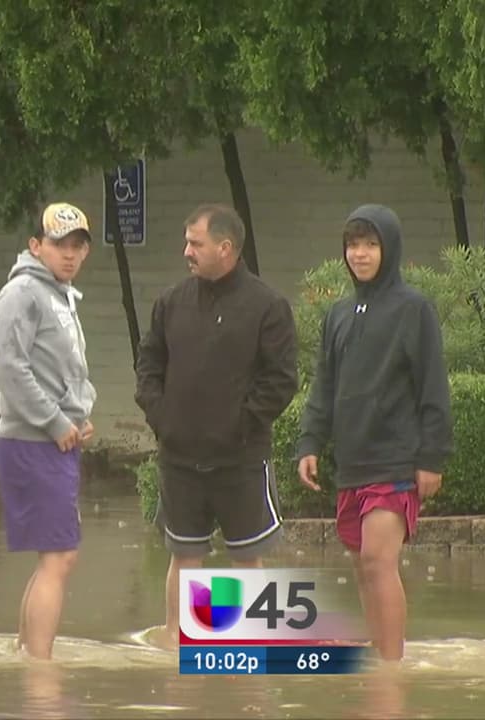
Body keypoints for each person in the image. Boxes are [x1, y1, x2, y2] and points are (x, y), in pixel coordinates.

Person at [134, 203, 298, 648]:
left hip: (240, 460)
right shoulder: (171, 302)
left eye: (195, 243)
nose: (186, 251)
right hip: (180, 459)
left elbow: (281, 381)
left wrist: (239, 425)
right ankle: (179, 647)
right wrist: (163, 419)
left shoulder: (267, 306)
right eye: (187, 242)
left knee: (246, 559)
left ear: (225, 248)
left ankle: (241, 649)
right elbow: (149, 366)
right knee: (184, 556)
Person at [296, 205, 452, 662]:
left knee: (378, 562)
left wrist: (431, 458)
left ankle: (391, 667)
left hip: (396, 461)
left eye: (370, 244)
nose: (359, 254)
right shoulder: (338, 314)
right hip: (352, 463)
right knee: (362, 568)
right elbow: (324, 386)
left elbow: (433, 386)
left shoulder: (413, 309)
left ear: (389, 249)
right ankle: (379, 654)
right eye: (352, 245)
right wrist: (309, 442)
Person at [0, 202, 97, 660]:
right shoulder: (22, 294)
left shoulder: (58, 294)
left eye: (78, 245)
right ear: (35, 245)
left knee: (54, 557)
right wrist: (55, 421)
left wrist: (77, 413)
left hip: (55, 440)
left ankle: (26, 656)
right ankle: (40, 669)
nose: (69, 254)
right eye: (59, 244)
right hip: (33, 441)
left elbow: (60, 368)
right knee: (59, 557)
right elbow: (9, 368)